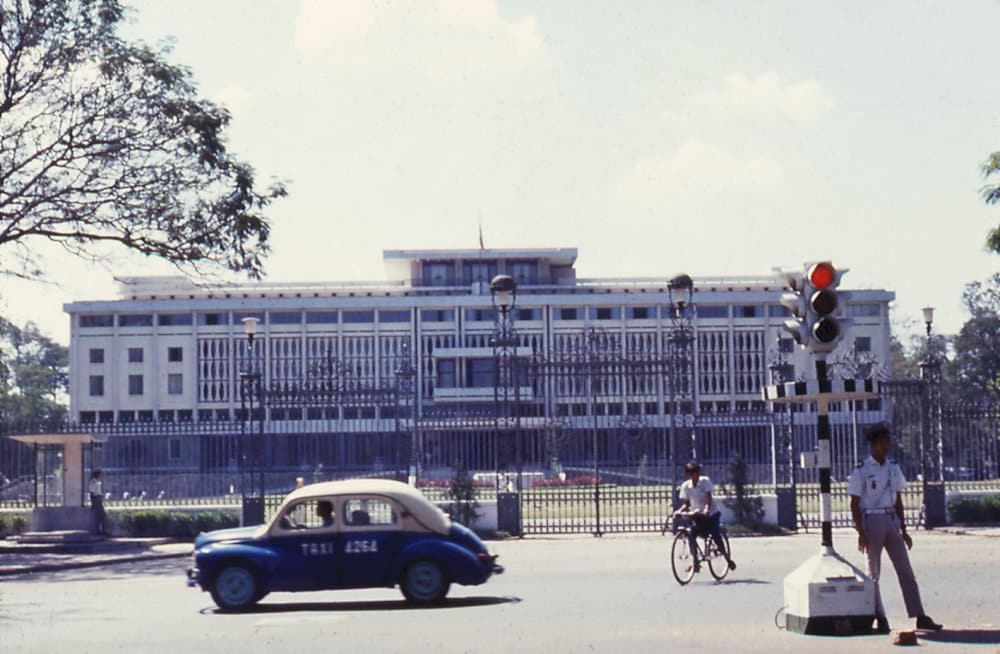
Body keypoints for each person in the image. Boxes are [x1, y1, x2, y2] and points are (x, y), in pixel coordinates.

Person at [848, 424, 942, 634]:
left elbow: (898, 499)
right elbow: (854, 503)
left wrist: (904, 528)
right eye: (881, 442)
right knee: (873, 573)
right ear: (872, 445)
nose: (885, 446)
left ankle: (919, 615)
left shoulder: (893, 467)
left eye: (887, 441)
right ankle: (879, 616)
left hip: (891, 520)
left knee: (905, 570)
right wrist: (861, 533)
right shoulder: (862, 470)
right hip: (871, 521)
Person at [673, 461, 735, 573]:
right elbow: (687, 503)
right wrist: (679, 511)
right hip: (697, 515)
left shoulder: (705, 482)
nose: (693, 475)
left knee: (716, 535)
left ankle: (727, 558)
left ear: (698, 472)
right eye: (690, 472)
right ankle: (695, 561)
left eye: (695, 472)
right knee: (691, 534)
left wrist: (706, 509)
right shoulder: (686, 486)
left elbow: (708, 498)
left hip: (710, 515)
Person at [89, 469, 107, 536]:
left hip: (98, 498)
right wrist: (94, 501)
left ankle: (100, 530)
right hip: (96, 499)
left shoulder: (97, 482)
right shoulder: (93, 482)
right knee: (101, 515)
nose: (101, 476)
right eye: (100, 474)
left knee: (100, 516)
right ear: (98, 475)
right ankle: (100, 531)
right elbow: (92, 492)